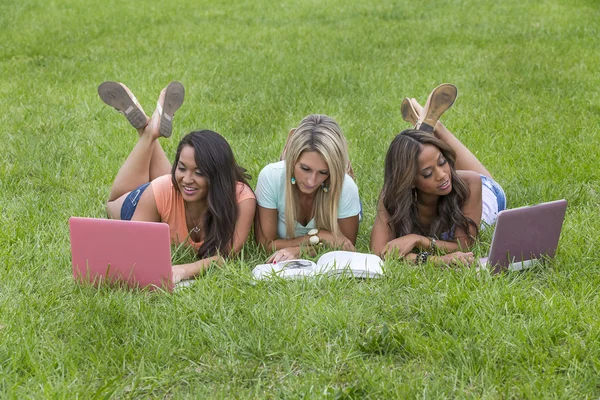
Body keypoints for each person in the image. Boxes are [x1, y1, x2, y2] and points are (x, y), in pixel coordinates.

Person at [99, 81, 256, 282]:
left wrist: (185, 270)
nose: (187, 178)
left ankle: (149, 129)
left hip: (170, 195)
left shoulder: (242, 199)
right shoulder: (162, 188)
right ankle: (148, 134)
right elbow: (134, 246)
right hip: (144, 203)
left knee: (177, 185)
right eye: (181, 167)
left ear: (217, 174)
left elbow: (227, 254)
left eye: (199, 172)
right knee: (113, 203)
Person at [370, 84, 506, 266]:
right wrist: (436, 260)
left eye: (443, 162)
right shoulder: (391, 195)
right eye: (427, 173)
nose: (442, 175)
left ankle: (436, 128)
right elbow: (379, 253)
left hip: (486, 192)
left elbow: (464, 245)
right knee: (430, 157)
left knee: (469, 175)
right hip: (455, 180)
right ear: (409, 181)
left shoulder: (470, 183)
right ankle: (426, 130)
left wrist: (418, 240)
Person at [254, 114, 361, 263]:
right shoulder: (270, 177)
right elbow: (265, 245)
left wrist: (299, 250)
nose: (311, 181)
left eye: (323, 172)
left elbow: (345, 246)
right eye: (305, 169)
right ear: (292, 160)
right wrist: (320, 236)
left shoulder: (345, 186)